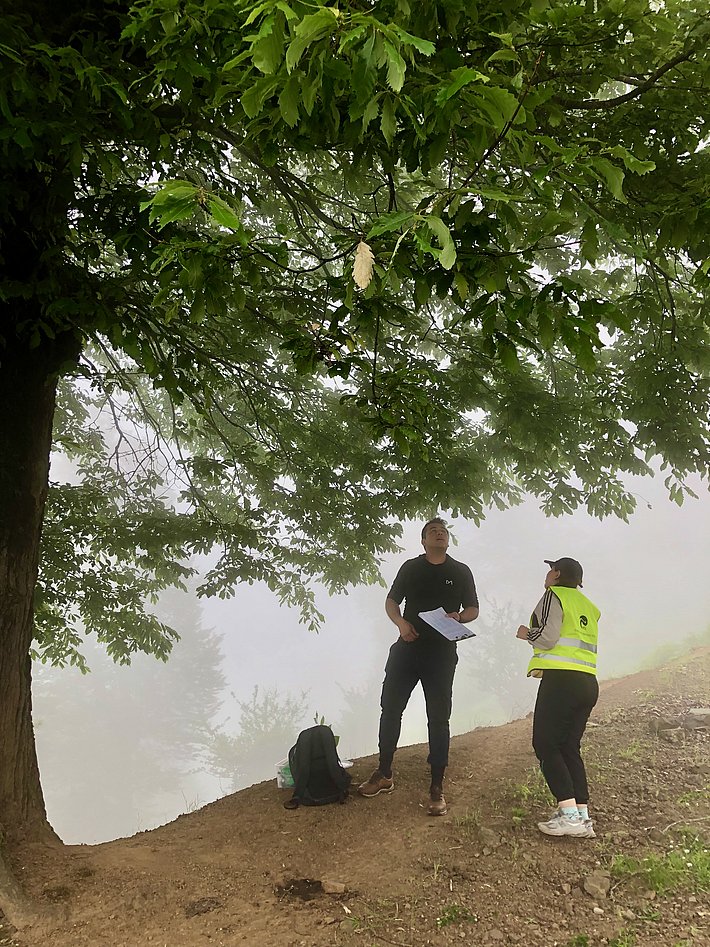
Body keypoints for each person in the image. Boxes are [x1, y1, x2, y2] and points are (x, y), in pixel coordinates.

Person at [358, 518, 479, 816]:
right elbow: (391, 601)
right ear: (423, 541)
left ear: (447, 541)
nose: (439, 534)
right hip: (407, 649)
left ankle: (436, 786)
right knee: (390, 709)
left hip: (441, 653)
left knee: (439, 719)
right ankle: (384, 773)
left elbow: (473, 609)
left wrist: (460, 618)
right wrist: (400, 623)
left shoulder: (461, 571)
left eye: (443, 532)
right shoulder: (411, 567)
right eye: (432, 532)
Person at [516, 557, 600, 838]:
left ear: (556, 574)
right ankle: (582, 816)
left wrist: (527, 634)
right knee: (568, 746)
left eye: (550, 569)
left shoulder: (554, 595)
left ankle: (568, 816)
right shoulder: (587, 604)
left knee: (545, 744)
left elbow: (548, 637)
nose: (547, 574)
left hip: (561, 681)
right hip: (588, 681)